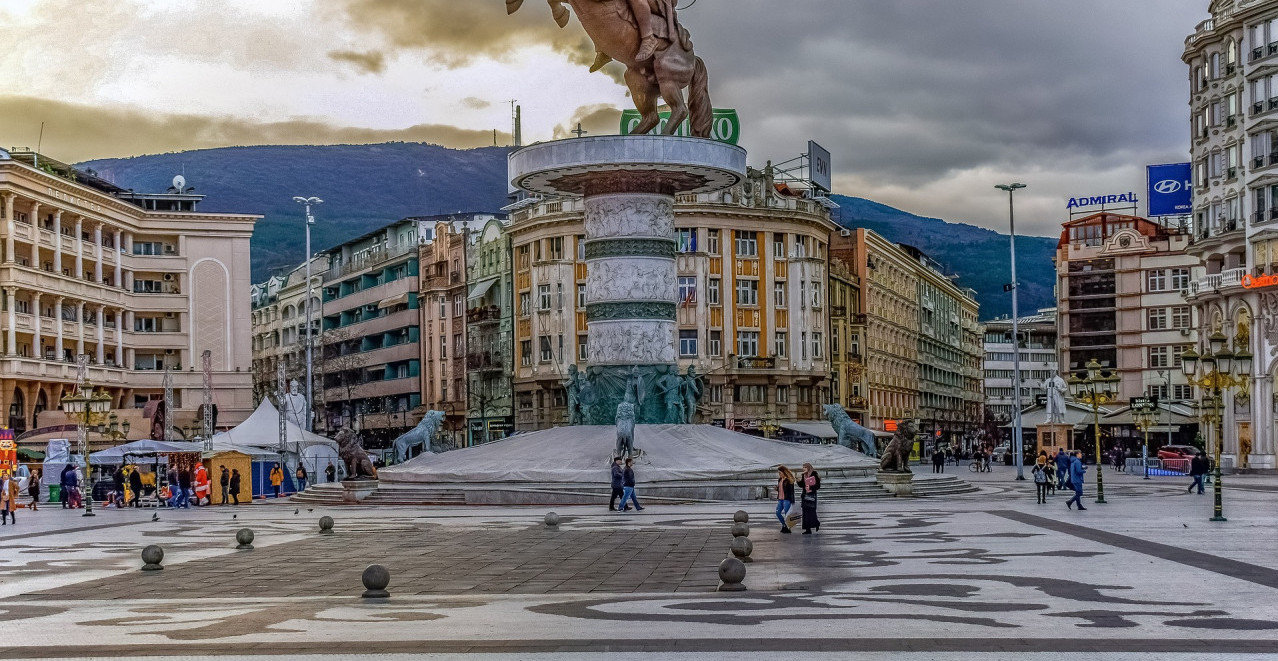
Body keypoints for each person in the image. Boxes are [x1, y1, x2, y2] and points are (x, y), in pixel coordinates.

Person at [800, 462, 821, 534]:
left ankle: (816, 523)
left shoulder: (814, 474)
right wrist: (798, 481)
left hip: (811, 496)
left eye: (805, 467)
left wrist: (811, 487)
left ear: (809, 468)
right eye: (803, 467)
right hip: (805, 495)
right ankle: (807, 529)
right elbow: (802, 485)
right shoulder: (803, 475)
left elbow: (818, 486)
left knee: (811, 512)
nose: (803, 469)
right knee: (805, 512)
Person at [775, 465, 796, 533]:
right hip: (780, 499)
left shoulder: (789, 480)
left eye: (780, 473)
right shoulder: (780, 480)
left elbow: (791, 491)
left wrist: (792, 500)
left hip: (787, 499)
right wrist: (777, 489)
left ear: (784, 472)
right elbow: (781, 489)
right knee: (778, 512)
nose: (779, 474)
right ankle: (784, 525)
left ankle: (788, 527)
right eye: (779, 473)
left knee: (787, 514)